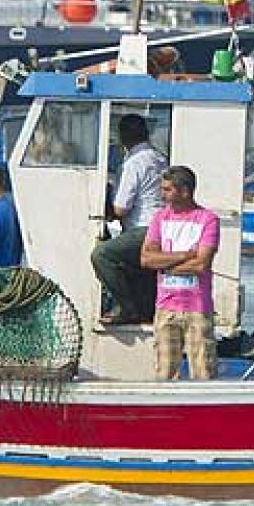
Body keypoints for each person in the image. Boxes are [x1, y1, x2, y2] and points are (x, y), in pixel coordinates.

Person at [140, 166, 221, 380]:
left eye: (167, 190)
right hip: (166, 306)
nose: (162, 194)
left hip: (197, 307)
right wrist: (185, 255)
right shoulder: (159, 218)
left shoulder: (207, 219)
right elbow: (147, 258)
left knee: (203, 371)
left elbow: (201, 264)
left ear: (184, 191)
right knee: (165, 372)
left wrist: (164, 263)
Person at [91, 114, 166, 326]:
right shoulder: (159, 158)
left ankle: (126, 308)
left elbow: (121, 208)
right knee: (135, 269)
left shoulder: (134, 163)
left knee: (103, 255)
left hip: (143, 229)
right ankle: (143, 310)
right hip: (161, 227)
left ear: (123, 136)